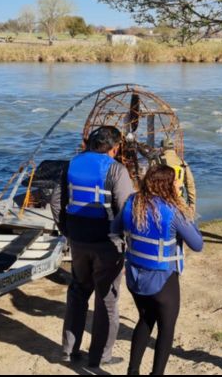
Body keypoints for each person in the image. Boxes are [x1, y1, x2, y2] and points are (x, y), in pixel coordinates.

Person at [50, 126, 135, 367]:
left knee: (77, 293)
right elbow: (126, 209)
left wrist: (67, 229)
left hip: (78, 241)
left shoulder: (71, 164)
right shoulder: (117, 170)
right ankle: (100, 356)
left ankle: (68, 350)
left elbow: (56, 202)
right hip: (108, 244)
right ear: (115, 147)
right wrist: (127, 242)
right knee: (107, 299)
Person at [111, 164, 203, 375]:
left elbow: (114, 229)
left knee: (145, 320)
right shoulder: (174, 211)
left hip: (135, 277)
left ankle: (132, 371)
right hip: (163, 280)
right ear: (168, 186)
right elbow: (197, 244)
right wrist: (187, 210)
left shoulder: (132, 203)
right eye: (175, 182)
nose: (178, 184)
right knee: (166, 328)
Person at [153, 137, 197, 209]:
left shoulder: (156, 162)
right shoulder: (182, 163)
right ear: (173, 148)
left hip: (162, 202)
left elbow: (150, 183)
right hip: (179, 201)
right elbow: (190, 184)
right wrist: (192, 206)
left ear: (162, 148)